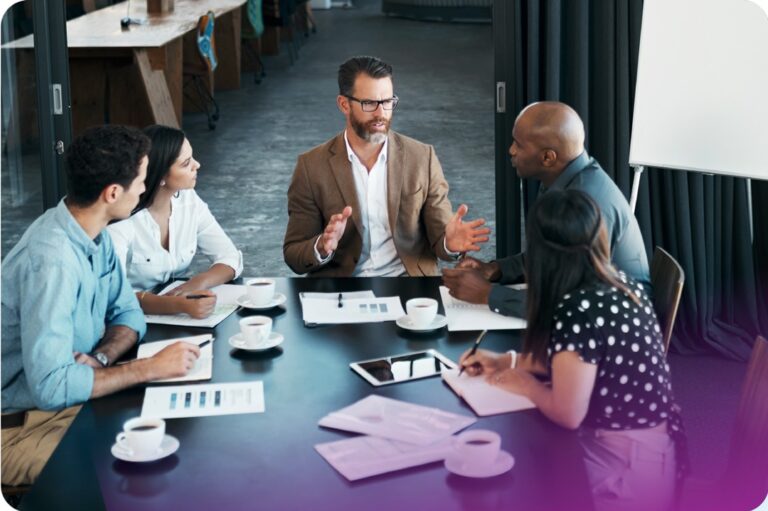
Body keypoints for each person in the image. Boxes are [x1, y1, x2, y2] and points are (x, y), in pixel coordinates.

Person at [458, 190, 687, 511]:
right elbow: (584, 363)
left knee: (519, 479)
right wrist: (506, 362)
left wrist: (523, 383)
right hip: (653, 454)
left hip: (625, 474)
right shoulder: (622, 284)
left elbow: (567, 414)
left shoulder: (576, 309)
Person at [1, 126, 202, 486]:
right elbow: (50, 387)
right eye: (141, 180)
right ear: (112, 193)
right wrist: (148, 368)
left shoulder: (92, 231)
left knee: (172, 436)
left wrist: (103, 357)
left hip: (64, 404)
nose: (145, 188)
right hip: (18, 427)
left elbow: (128, 314)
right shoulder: (53, 262)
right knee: (134, 465)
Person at [283, 55, 490, 277]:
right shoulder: (311, 166)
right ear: (344, 105)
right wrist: (321, 246)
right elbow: (294, 252)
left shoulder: (422, 158)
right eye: (369, 103)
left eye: (388, 102)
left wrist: (449, 243)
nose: (381, 113)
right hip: (343, 288)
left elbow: (441, 236)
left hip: (409, 284)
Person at [442, 101, 649, 318]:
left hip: (614, 324)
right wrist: (494, 270)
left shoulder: (585, 204)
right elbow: (550, 258)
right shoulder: (564, 178)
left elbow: (569, 304)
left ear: (548, 157)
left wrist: (487, 294)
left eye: (518, 144)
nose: (511, 150)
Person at [107, 125, 242, 319]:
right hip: (127, 319)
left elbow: (230, 257)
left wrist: (196, 284)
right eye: (186, 163)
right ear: (161, 175)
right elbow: (113, 296)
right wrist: (175, 304)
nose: (197, 165)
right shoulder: (122, 219)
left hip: (172, 315)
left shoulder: (189, 200)